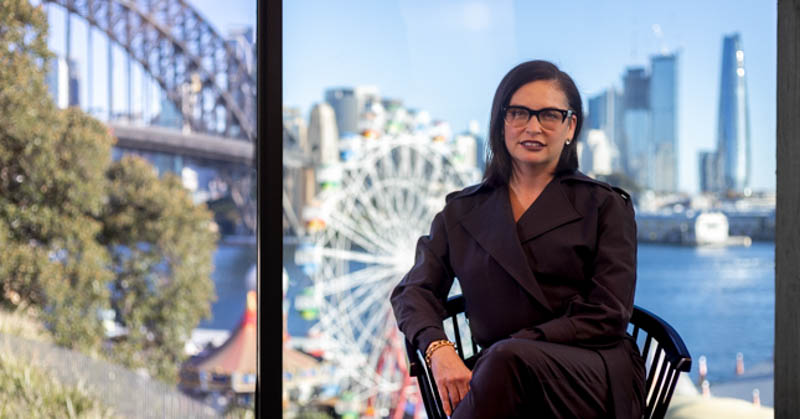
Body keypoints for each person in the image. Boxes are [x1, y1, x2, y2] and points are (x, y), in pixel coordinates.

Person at [390, 60, 646, 418]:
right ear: (501, 122)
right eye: (519, 113)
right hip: (500, 374)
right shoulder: (461, 212)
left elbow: (608, 314)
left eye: (550, 116)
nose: (533, 127)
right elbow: (412, 291)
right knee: (501, 365)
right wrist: (439, 349)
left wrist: (518, 344)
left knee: (503, 360)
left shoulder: (604, 206)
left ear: (570, 126)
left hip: (592, 372)